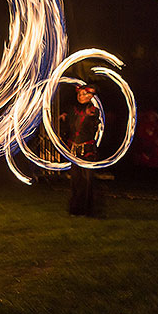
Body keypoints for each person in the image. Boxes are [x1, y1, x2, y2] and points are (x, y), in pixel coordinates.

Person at [60, 84, 102, 217]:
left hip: (87, 150)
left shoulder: (93, 110)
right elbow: (67, 126)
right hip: (74, 151)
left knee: (87, 181)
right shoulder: (72, 109)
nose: (80, 96)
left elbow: (93, 121)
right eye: (79, 94)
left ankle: (88, 210)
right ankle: (75, 210)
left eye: (84, 94)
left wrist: (92, 116)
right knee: (75, 181)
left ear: (90, 96)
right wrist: (63, 118)